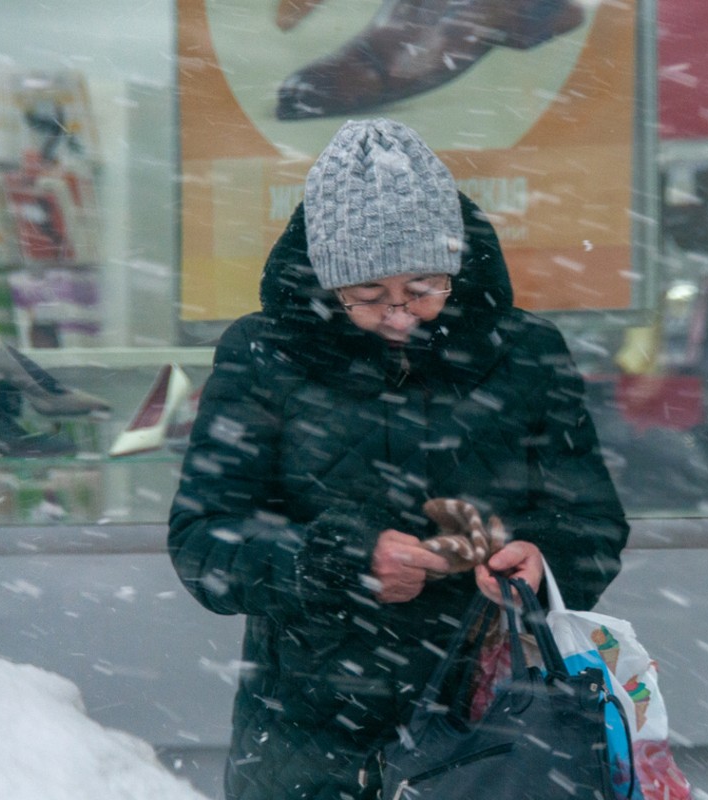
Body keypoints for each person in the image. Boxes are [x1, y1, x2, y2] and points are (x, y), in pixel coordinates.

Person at [167, 118, 629, 800]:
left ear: (456, 264)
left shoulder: (526, 351)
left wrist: (541, 559)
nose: (400, 316)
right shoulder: (263, 355)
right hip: (311, 736)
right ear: (328, 284)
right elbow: (203, 541)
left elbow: (592, 522)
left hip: (495, 723)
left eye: (422, 287)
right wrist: (339, 563)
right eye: (368, 297)